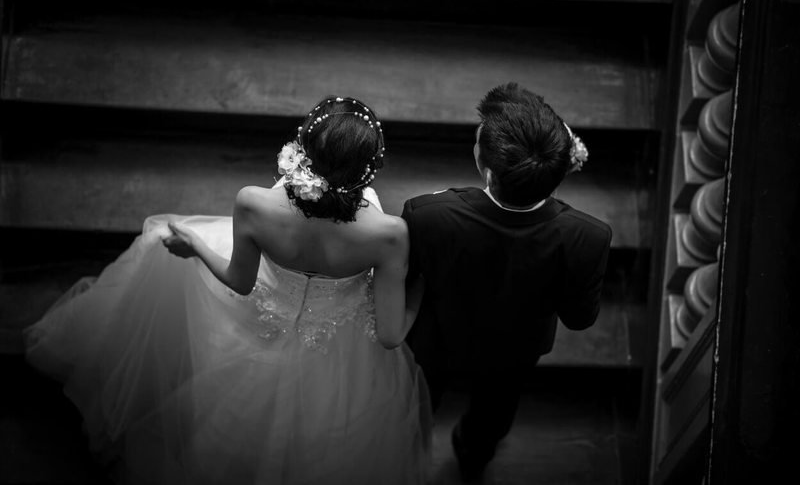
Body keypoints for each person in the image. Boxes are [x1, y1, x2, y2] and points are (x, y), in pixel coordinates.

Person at [24, 96, 431, 485]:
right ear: (367, 169)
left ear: (305, 152)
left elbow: (241, 281)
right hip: (342, 353)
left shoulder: (254, 203)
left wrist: (196, 247)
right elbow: (390, 336)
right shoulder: (389, 234)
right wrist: (421, 285)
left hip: (263, 321)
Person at [402, 82, 612, 481]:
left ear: (487, 170)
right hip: (515, 346)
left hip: (440, 335)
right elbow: (579, 318)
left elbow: (407, 279)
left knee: (421, 396)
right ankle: (473, 458)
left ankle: (411, 446)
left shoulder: (428, 214)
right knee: (495, 410)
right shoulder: (588, 236)